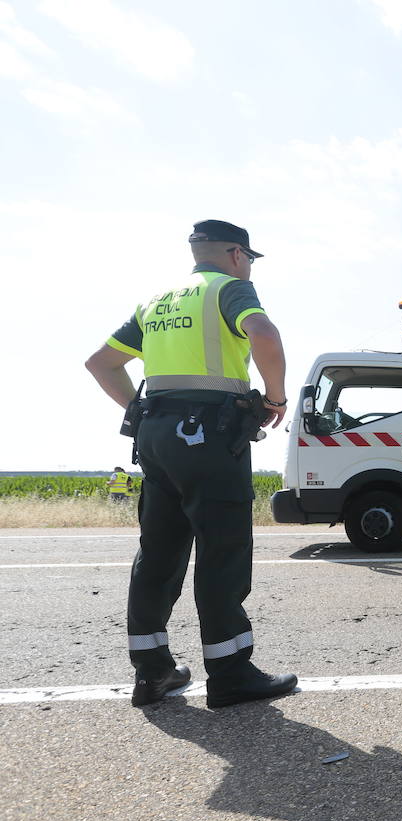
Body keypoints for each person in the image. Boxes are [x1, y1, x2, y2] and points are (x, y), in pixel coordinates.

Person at [84, 219, 299, 707]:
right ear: (237, 254)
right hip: (209, 434)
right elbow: (264, 333)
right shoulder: (230, 290)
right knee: (222, 549)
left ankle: (153, 672)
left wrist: (137, 412)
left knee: (158, 551)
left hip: (156, 434)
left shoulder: (157, 302)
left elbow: (101, 363)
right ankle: (229, 673)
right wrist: (276, 397)